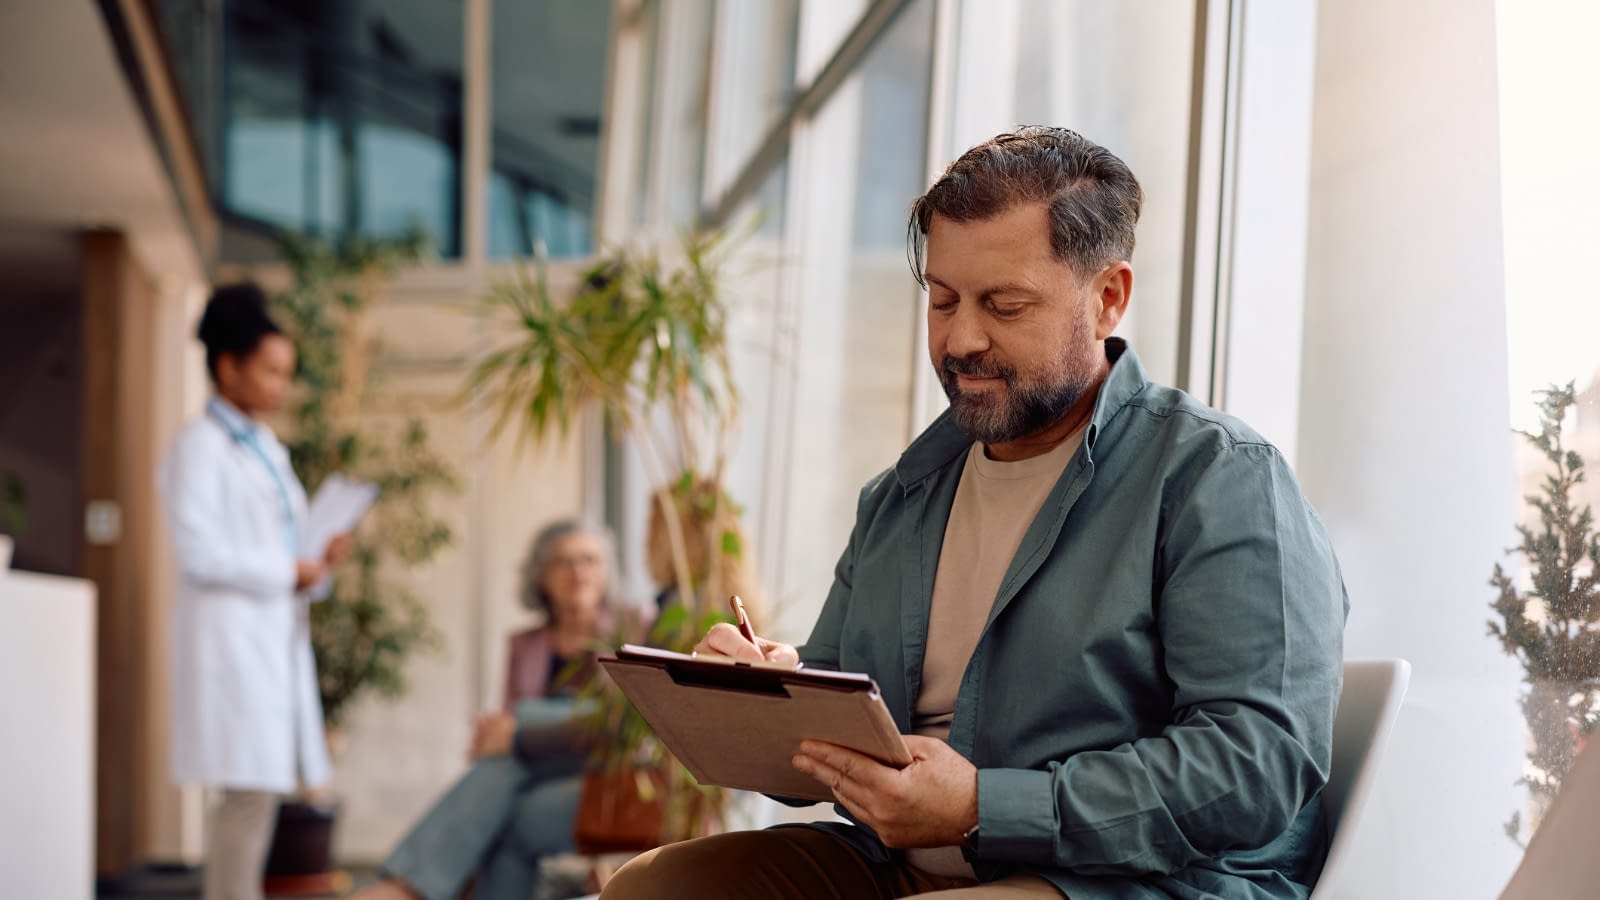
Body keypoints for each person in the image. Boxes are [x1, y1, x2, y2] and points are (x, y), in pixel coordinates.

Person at [599, 126, 1349, 899]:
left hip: (1130, 881)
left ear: (1108, 299)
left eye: (1005, 305)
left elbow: (1259, 762)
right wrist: (765, 696)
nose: (961, 339)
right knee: (652, 889)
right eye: (943, 300)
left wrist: (983, 808)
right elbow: (830, 728)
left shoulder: (1218, 479)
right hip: (899, 867)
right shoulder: (900, 497)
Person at [158, 283, 354, 900]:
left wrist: (315, 561)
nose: (280, 387)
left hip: (267, 638)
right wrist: (288, 571)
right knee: (247, 795)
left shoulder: (265, 446)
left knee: (257, 795)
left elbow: (282, 542)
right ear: (228, 366)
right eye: (270, 371)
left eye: (285, 374)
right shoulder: (199, 448)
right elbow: (199, 552)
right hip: (231, 643)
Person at [353, 518, 622, 900]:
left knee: (499, 796)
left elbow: (621, 724)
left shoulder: (634, 629)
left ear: (606, 572)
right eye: (563, 561)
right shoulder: (525, 645)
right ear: (541, 576)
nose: (578, 572)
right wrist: (506, 734)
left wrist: (522, 730)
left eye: (589, 560)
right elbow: (504, 736)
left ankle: (406, 888)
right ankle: (408, 888)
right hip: (541, 780)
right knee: (503, 789)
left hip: (608, 777)